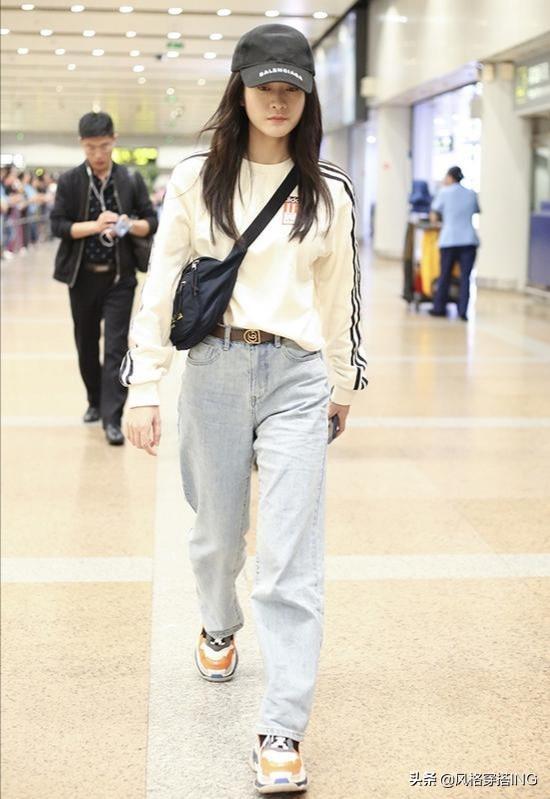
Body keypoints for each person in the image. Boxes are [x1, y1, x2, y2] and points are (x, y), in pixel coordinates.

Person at [120, 23, 368, 794]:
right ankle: (217, 621)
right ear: (240, 90)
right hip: (216, 369)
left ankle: (282, 728)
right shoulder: (197, 178)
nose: (277, 99)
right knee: (217, 535)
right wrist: (144, 384)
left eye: (292, 87)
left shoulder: (328, 189)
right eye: (265, 85)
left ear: (309, 97)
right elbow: (161, 283)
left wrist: (342, 383)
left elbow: (341, 294)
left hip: (296, 376)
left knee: (291, 557)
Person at [50, 112, 158, 445]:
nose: (98, 154)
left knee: (115, 348)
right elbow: (58, 225)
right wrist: (95, 226)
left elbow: (151, 222)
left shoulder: (129, 179)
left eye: (104, 146)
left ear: (114, 140)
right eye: (91, 147)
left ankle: (113, 418)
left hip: (119, 279)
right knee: (85, 344)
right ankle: (94, 401)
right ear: (81, 144)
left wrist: (126, 224)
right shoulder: (71, 181)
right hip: (82, 278)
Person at [429, 165, 480, 321]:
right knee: (465, 277)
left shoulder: (444, 192)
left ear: (450, 177)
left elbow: (434, 216)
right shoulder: (471, 193)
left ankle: (439, 308)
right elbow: (476, 210)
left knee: (444, 275)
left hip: (449, 240)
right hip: (469, 241)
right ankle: (462, 311)